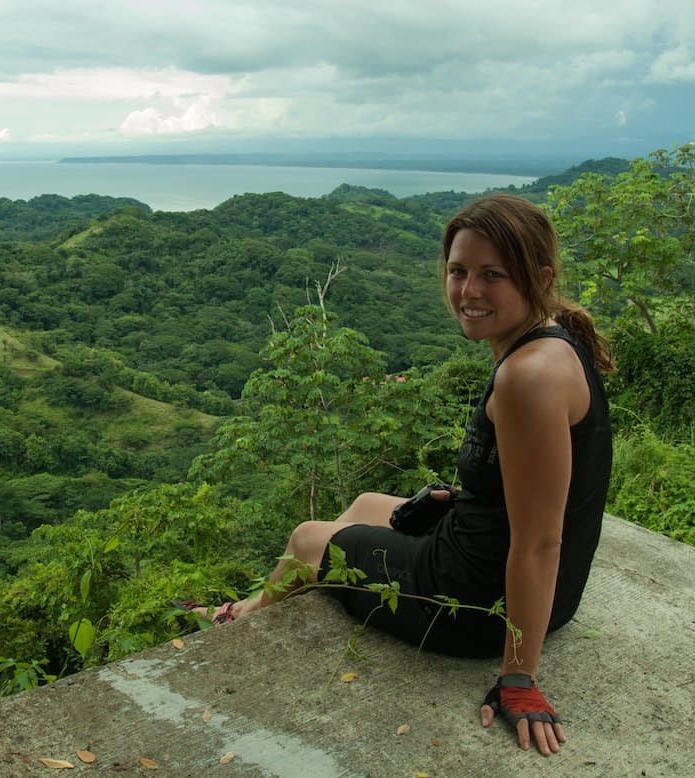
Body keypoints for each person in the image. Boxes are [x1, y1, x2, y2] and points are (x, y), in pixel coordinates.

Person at [181, 194, 613, 757]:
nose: (469, 291)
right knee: (363, 505)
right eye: (459, 271)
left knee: (309, 542)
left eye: (493, 275)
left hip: (477, 603)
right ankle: (258, 604)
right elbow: (536, 487)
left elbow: (540, 540)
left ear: (540, 277)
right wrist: (456, 500)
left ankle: (237, 617)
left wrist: (518, 678)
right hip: (512, 571)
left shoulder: (527, 378)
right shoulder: (555, 343)